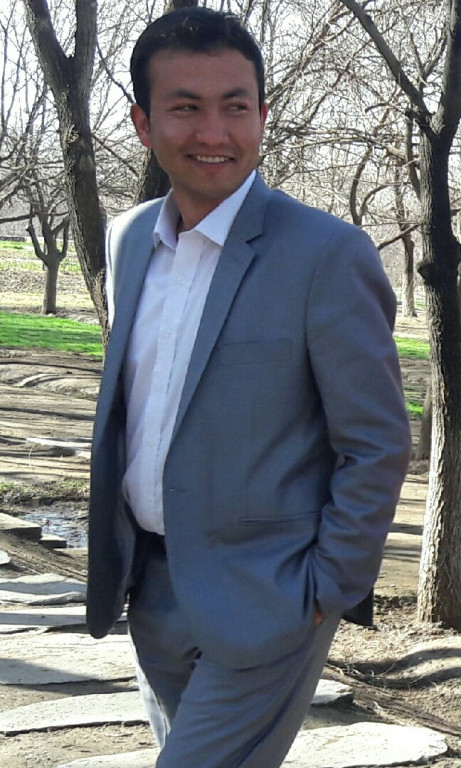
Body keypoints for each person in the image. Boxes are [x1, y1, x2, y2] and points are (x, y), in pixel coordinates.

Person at [87, 7, 411, 767]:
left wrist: (325, 589)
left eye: (235, 106)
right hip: (151, 587)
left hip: (270, 596)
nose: (215, 132)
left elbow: (374, 441)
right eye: (185, 107)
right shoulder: (128, 239)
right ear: (143, 123)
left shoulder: (326, 254)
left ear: (262, 115)